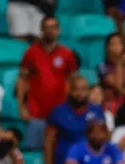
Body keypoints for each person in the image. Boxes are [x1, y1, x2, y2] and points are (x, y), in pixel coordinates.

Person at [17, 16, 79, 151]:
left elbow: (74, 82)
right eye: (46, 27)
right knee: (34, 153)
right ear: (41, 30)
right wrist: (21, 107)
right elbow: (22, 80)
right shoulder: (31, 53)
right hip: (36, 114)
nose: (49, 30)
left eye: (53, 27)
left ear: (58, 30)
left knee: (58, 153)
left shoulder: (67, 54)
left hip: (60, 114)